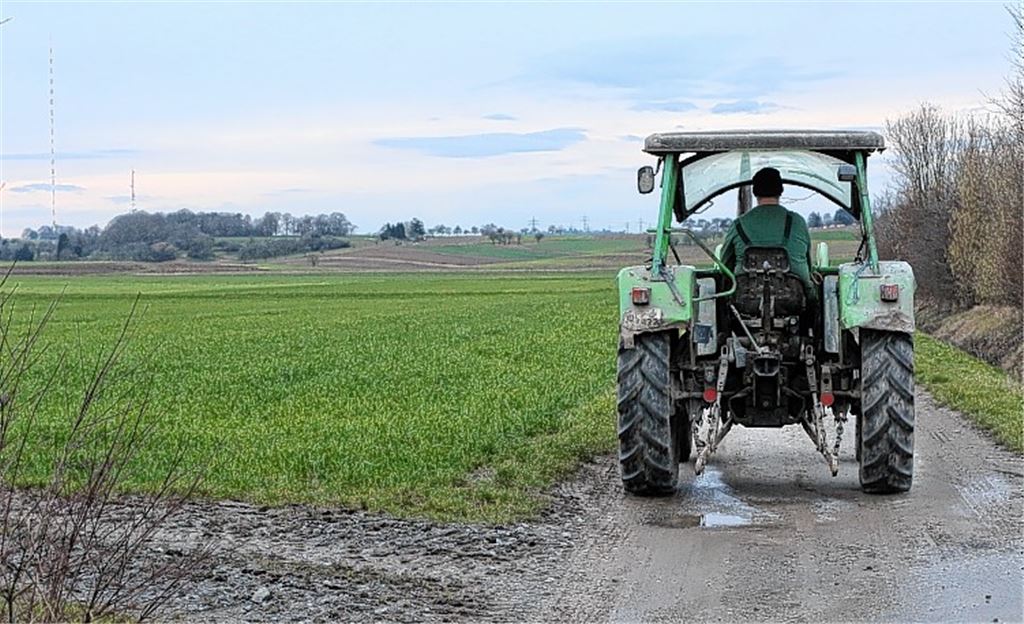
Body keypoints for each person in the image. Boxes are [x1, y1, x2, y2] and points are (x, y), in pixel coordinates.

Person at [720, 167, 816, 302]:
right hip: (793, 299)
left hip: (745, 300)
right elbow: (807, 264)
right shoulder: (797, 222)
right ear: (780, 191)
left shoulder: (738, 225)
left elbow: (724, 266)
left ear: (754, 192)